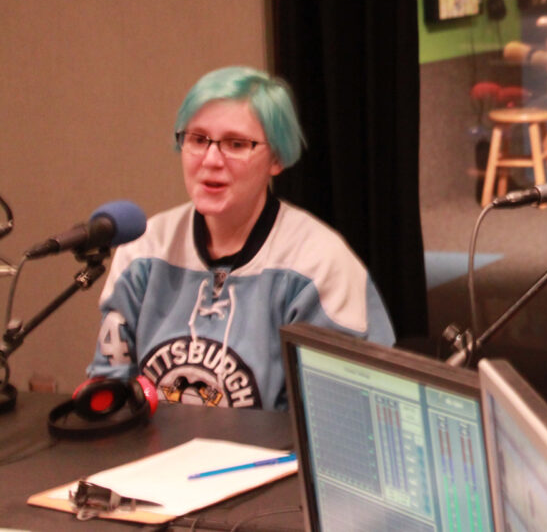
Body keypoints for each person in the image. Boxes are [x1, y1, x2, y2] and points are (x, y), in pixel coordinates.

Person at [86, 66, 395, 411]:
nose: (212, 160)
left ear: (276, 158)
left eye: (236, 144)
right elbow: (108, 393)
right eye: (198, 139)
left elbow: (340, 421)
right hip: (152, 458)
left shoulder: (320, 264)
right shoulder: (144, 248)